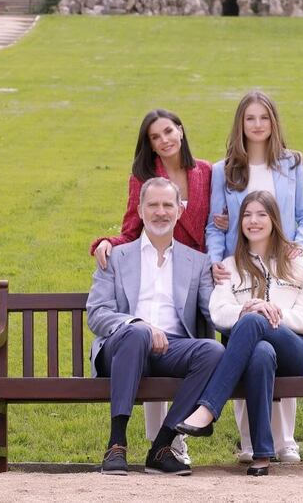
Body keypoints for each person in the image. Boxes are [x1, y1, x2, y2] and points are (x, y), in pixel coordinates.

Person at [89, 108, 215, 463]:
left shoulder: (196, 262)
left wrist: (244, 310)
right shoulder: (116, 257)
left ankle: (163, 444)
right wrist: (137, 325)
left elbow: (212, 310)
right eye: (152, 206)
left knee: (212, 352)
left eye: (167, 206)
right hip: (125, 348)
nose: (160, 212)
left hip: (174, 349)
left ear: (179, 211)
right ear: (140, 211)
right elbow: (97, 314)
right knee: (136, 334)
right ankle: (117, 444)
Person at [205, 90, 303, 464]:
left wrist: (297, 247)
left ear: (273, 123)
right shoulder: (224, 171)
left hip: (282, 268)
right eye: (249, 118)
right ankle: (253, 443)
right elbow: (216, 224)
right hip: (241, 270)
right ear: (240, 124)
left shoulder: (292, 164)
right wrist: (217, 263)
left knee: (265, 329)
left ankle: (281, 439)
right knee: (256, 346)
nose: (257, 125)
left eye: (263, 118)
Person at [177, 191, 303, 476]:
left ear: (274, 219)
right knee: (260, 353)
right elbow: (217, 312)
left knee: (255, 319)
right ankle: (261, 455)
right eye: (247, 215)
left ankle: (208, 409)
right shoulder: (230, 266)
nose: (254, 221)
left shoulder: (298, 263)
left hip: (294, 350)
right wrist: (244, 312)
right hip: (253, 353)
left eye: (261, 214)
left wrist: (270, 311)